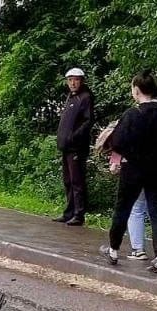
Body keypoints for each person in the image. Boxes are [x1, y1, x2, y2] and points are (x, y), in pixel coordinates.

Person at [100, 71, 157, 274]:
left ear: (136, 90)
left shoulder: (132, 114)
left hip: (134, 169)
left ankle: (113, 249)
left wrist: (130, 153)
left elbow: (118, 142)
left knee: (123, 208)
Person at [54, 67, 94, 225]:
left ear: (81, 81)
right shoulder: (70, 97)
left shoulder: (85, 98)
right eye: (70, 80)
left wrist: (74, 137)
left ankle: (79, 214)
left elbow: (88, 121)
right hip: (66, 146)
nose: (72, 83)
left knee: (77, 181)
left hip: (76, 147)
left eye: (76, 79)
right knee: (68, 180)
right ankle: (69, 212)